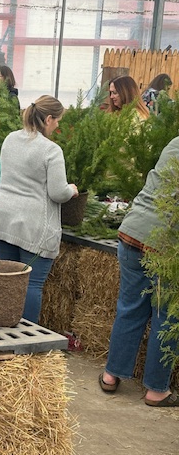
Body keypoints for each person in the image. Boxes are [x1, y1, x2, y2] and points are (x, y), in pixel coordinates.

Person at [99, 136, 179, 407]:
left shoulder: (175, 143)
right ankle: (156, 390)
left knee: (130, 307)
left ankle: (111, 375)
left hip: (132, 232)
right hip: (164, 243)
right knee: (166, 317)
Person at [0, 95, 78, 323]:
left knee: (7, 280)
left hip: (2, 217)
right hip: (32, 224)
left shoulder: (10, 139)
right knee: (31, 283)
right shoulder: (51, 150)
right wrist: (72, 190)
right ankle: (26, 341)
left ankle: (2, 329)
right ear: (48, 119)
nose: (58, 125)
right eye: (57, 120)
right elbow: (58, 192)